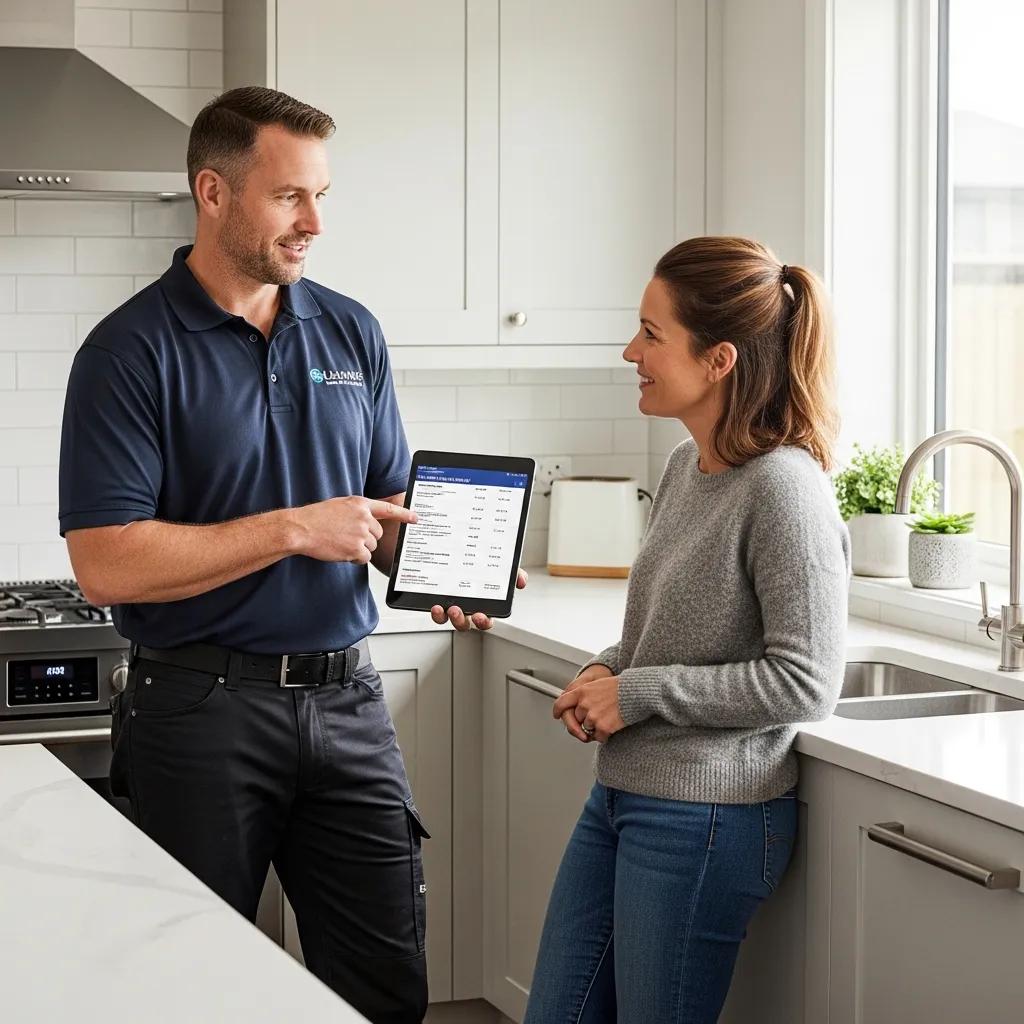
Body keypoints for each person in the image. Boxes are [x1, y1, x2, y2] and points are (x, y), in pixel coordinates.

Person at [58, 86, 523, 1024]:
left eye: (321, 196)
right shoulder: (129, 351)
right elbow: (105, 564)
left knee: (387, 986)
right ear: (214, 192)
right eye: (288, 197)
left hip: (350, 705)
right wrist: (290, 528)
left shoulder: (350, 330)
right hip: (197, 712)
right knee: (190, 989)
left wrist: (443, 562)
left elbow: (383, 513)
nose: (313, 223)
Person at [524, 236, 851, 1023]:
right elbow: (663, 635)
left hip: (707, 818)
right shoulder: (686, 465)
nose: (631, 350)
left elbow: (806, 681)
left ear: (719, 361)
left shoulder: (783, 489)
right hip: (625, 794)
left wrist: (635, 693)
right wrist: (607, 671)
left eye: (652, 333)